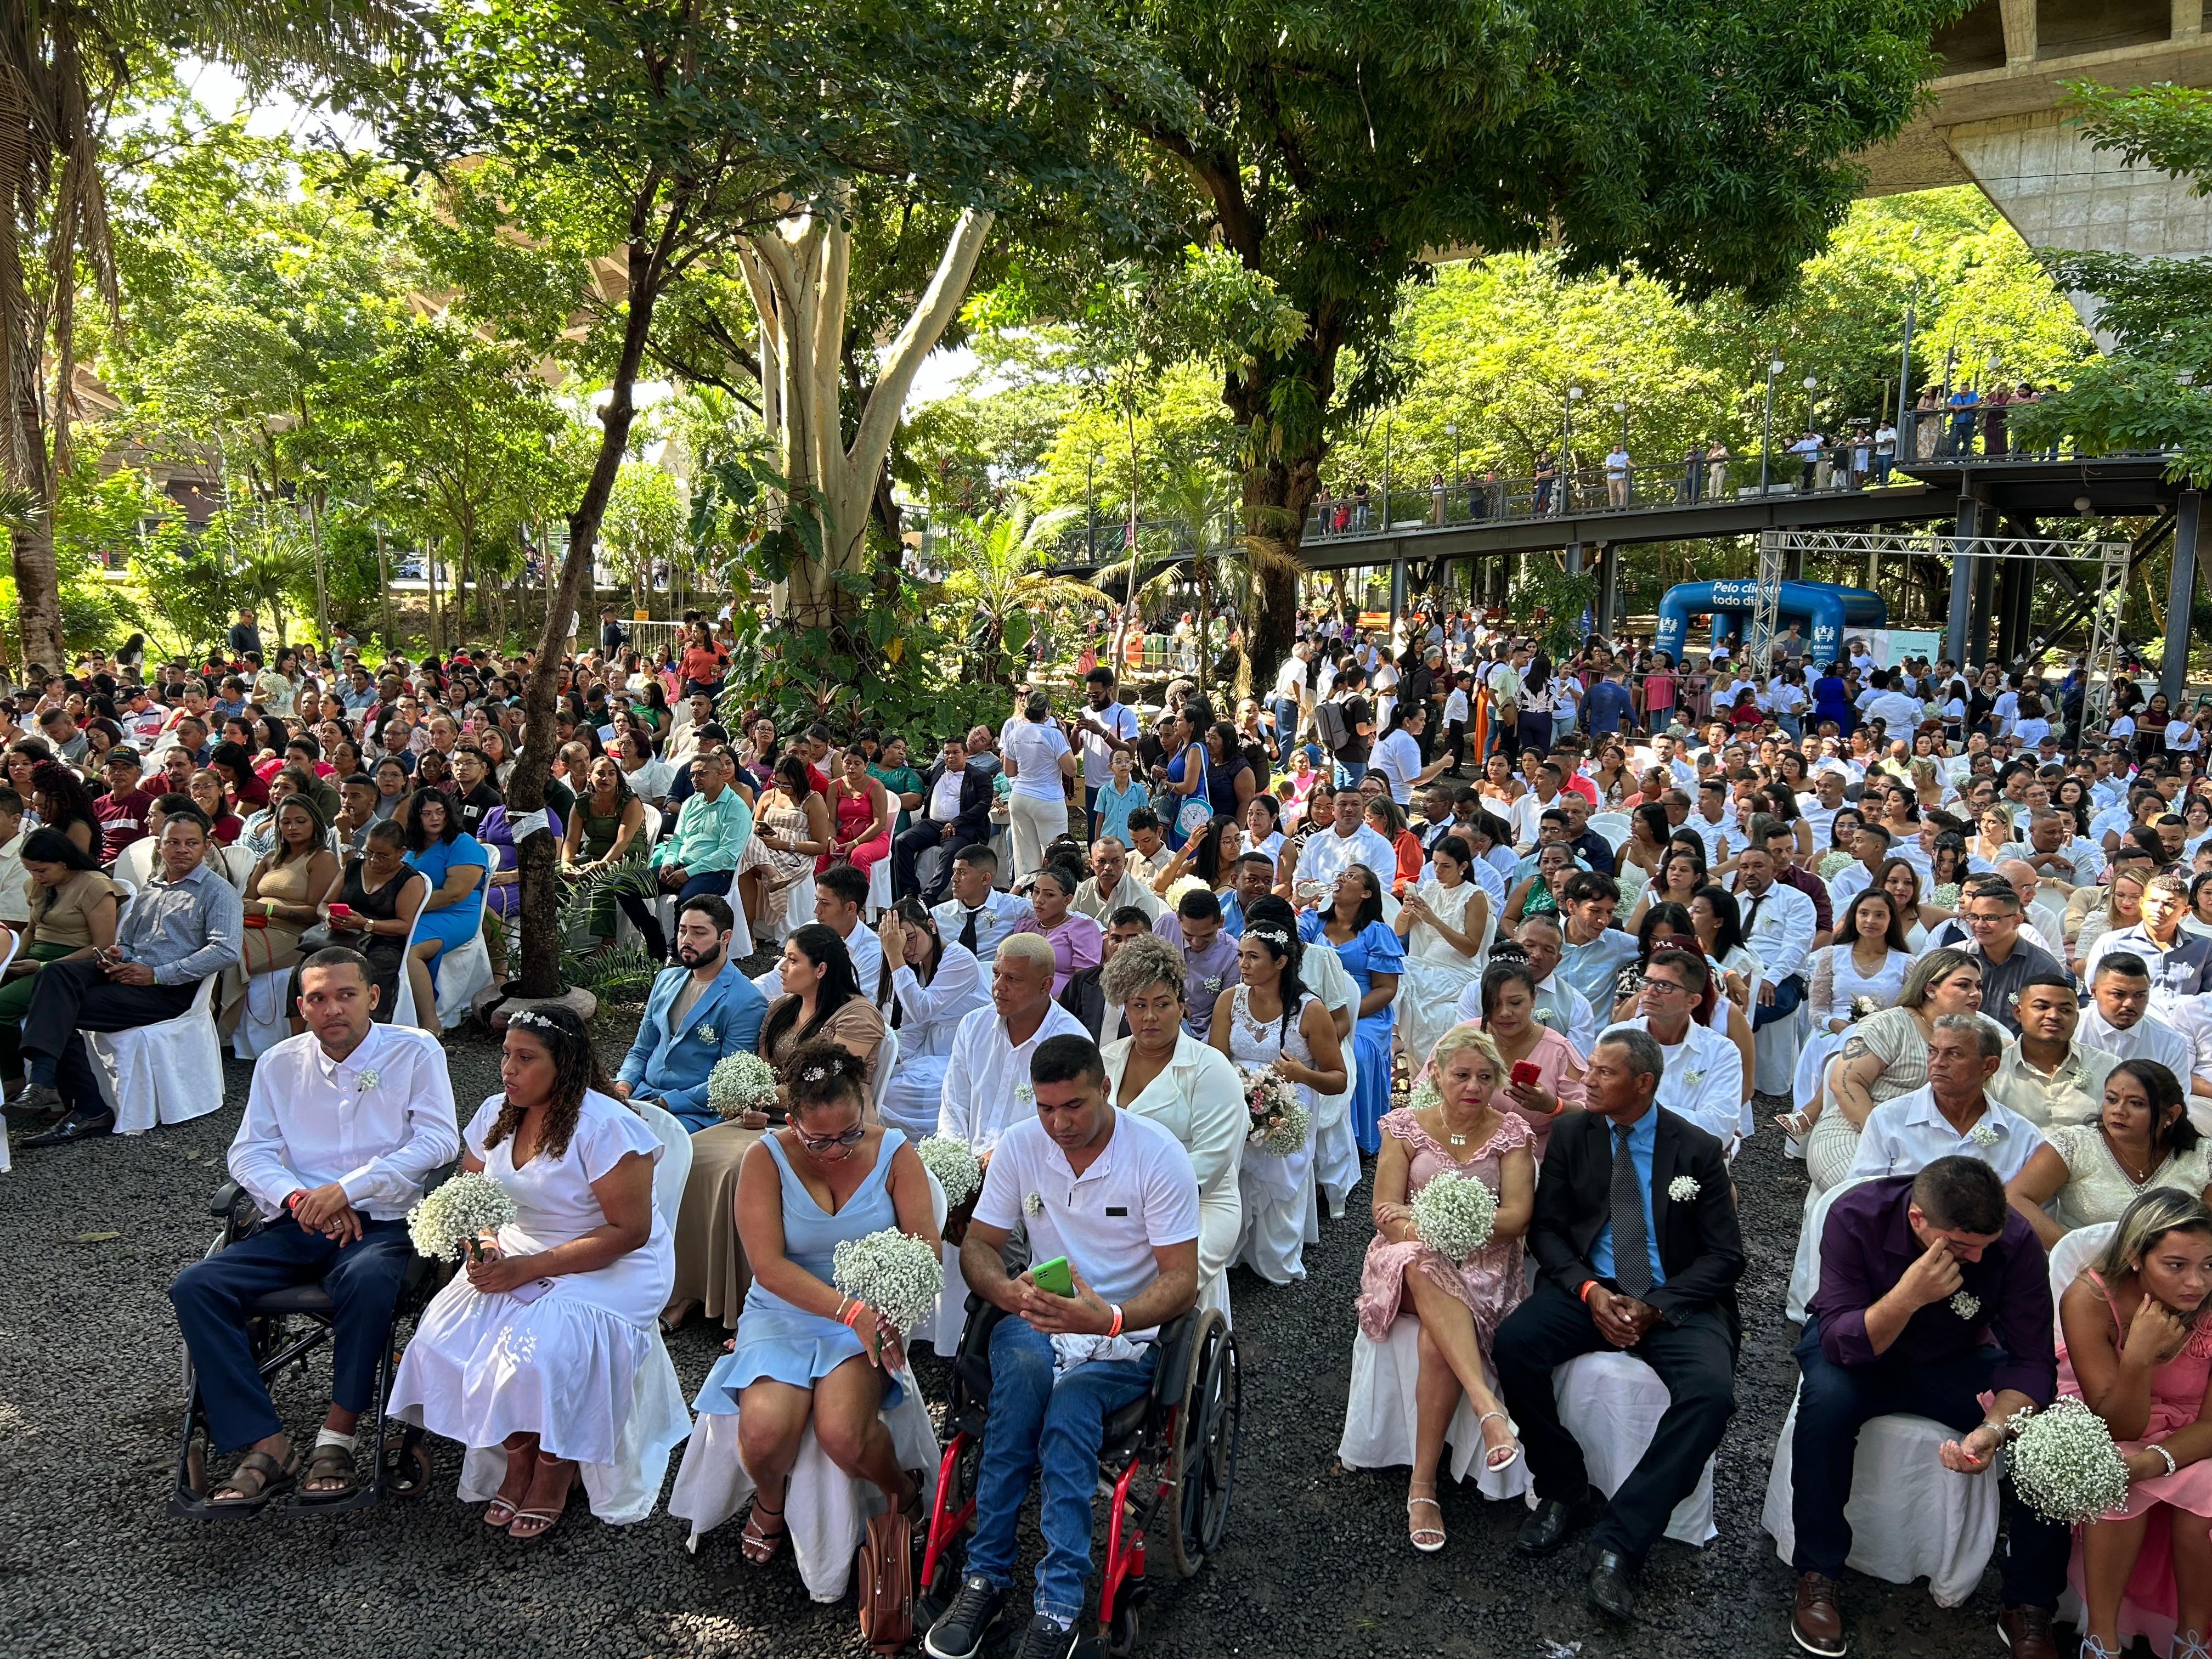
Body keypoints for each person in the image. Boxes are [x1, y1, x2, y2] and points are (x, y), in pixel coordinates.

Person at [921, 1034, 1199, 1659]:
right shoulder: (1024, 1144)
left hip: (1123, 1334)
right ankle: (985, 1578)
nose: (1059, 1124)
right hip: (1042, 1316)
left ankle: (1057, 1602)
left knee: (1070, 1412)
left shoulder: (1156, 1156)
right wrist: (1011, 1294)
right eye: (1046, 1109)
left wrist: (1112, 1317)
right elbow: (979, 1246)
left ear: (1104, 1087)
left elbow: (1184, 1280)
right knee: (1019, 1385)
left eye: (1073, 1106)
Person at [168, 950, 458, 1508]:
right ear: (301, 1007)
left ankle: (337, 1435)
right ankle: (267, 1442)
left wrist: (348, 1190)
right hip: (297, 1222)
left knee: (370, 1280)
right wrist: (302, 1197)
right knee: (195, 1286)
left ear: (372, 998)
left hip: (383, 1223)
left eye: (345, 995)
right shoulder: (281, 1062)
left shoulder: (415, 1051)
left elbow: (439, 1142)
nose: (332, 1009)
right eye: (318, 999)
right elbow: (249, 1152)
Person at [390, 1006, 687, 1536]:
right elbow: (471, 1197)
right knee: (440, 1342)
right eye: (506, 1054)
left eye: (525, 1058)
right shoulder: (495, 1113)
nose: (508, 1069)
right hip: (516, 1253)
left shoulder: (608, 1127)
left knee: (539, 1355)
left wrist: (528, 1269)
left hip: (611, 1264)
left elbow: (629, 1232)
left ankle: (557, 1465)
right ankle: (519, 1453)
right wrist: (484, 1247)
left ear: (565, 1065)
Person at [1493, 1028, 1742, 1620]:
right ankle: (1563, 1488)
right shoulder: (1576, 1133)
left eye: (1603, 1073)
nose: (1586, 1081)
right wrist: (1589, 1290)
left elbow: (1726, 1257)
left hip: (1675, 1300)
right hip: (1592, 1288)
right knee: (1514, 1344)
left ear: (1644, 1083)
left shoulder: (1696, 1149)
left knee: (1710, 1395)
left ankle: (1623, 1540)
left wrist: (1657, 1303)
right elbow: (1547, 1231)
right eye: (1590, 1070)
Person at [1787, 1156, 2068, 1659]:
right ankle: (1818, 1572)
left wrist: (1993, 1428)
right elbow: (1840, 1343)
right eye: (1961, 1246)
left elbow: (2030, 1363)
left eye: (1986, 1246)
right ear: (1918, 1220)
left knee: (2046, 1431)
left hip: (1954, 1359)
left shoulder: (2016, 1239)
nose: (1976, 1260)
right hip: (1862, 1354)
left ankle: (2029, 1603)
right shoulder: (1857, 1215)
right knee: (1826, 1405)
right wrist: (1909, 1296)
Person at [672, 1041, 938, 1562]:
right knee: (766, 1430)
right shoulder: (763, 1159)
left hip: (869, 1312)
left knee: (845, 1434)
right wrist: (848, 1311)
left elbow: (924, 1247)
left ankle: (903, 1491)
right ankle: (771, 1502)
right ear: (791, 1121)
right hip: (784, 1308)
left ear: (864, 1108)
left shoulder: (897, 1153)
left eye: (850, 1134)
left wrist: (883, 1310)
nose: (838, 1150)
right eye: (820, 1140)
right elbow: (768, 1267)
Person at [1361, 1024, 1536, 1549]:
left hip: (1485, 1268)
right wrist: (1431, 1227)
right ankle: (1488, 1409)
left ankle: (1423, 1486)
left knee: (1436, 1339)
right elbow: (1384, 1214)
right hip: (1405, 1261)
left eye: (1486, 1077)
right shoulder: (1405, 1127)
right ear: (1436, 1074)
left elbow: (1519, 1217)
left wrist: (1435, 1220)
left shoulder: (1512, 1134)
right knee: (1418, 1260)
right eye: (1461, 1075)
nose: (1473, 1087)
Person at [7, 810, 243, 1145]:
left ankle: (80, 1104)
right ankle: (45, 1086)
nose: (182, 850)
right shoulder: (154, 887)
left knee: (60, 1008)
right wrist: (119, 956)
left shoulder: (218, 892)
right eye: (173, 842)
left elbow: (225, 951)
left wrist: (157, 975)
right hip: (129, 976)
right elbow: (128, 942)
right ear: (160, 847)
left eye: (192, 843)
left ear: (206, 847)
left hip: (168, 991)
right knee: (57, 974)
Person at [2054, 1189, 2212, 1659]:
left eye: (2209, 1264)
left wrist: (2151, 1463)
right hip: (2119, 1419)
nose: (2197, 1283)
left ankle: (2194, 1637)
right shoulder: (2090, 1300)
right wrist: (2138, 1357)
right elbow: (2119, 1425)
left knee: (2205, 1499)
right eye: (2176, 1265)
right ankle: (2101, 1640)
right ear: (2135, 1257)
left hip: (2196, 1432)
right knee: (2112, 1488)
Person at [1095, 933, 1246, 1302]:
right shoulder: (1105, 1059)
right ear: (1124, 1009)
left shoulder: (1209, 1068)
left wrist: (1141, 1206)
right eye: (1138, 1005)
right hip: (1118, 1200)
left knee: (1152, 1287)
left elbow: (1211, 1161)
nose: (1149, 1016)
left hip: (1200, 1204)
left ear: (1182, 1007)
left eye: (1162, 1004)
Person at [1210, 918, 1346, 1285]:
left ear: (1281, 962)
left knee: (1275, 1186)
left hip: (1288, 1109)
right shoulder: (1230, 1000)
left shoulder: (1309, 1010)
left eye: (1254, 957)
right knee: (1231, 1179)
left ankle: (1274, 1257)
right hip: (1237, 1103)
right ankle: (1229, 1252)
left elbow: (1338, 1079)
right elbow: (1215, 1061)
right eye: (1241, 956)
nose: (1243, 965)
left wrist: (1302, 1075)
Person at [1807, 949, 1998, 1192]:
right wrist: (1882, 1139)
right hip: (1856, 1132)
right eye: (1964, 985)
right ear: (1930, 989)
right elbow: (1845, 1084)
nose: (1975, 994)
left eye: (1978, 986)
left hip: (1928, 1145)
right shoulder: (1889, 1024)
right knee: (1881, 1199)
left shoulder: (1977, 1032)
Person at [613, 895, 768, 1132]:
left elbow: (727, 1080)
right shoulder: (666, 980)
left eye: (699, 933)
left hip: (692, 1113)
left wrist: (665, 1103)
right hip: (641, 1093)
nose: (686, 941)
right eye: (683, 930)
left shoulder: (745, 1000)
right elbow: (642, 1048)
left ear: (725, 937)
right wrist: (623, 1087)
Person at [1846, 1015, 2046, 1182]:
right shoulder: (1888, 1119)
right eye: (1933, 1052)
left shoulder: (2022, 1136)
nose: (1938, 1063)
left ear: (1989, 1066)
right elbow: (1860, 1197)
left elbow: (2030, 1215)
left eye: (1953, 1054)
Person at [1299, 864, 1403, 1153]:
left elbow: (1387, 989)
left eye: (1351, 877)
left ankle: (1355, 1139)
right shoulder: (1313, 922)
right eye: (1340, 874)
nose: (1340, 879)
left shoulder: (1377, 933)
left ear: (1367, 893)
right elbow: (1288, 945)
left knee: (1354, 1051)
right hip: (1314, 1005)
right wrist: (1297, 902)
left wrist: (1348, 1013)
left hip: (1366, 1013)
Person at [1601, 945, 1747, 1149]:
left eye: (1664, 986)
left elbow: (1718, 1131)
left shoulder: (1721, 1052)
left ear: (1692, 1001)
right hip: (1621, 1152)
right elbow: (1599, 1109)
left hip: (1690, 1163)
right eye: (1647, 982)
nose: (1650, 992)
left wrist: (1633, 1111)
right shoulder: (1616, 1039)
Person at [220, 794, 341, 1036]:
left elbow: (317, 912)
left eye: (300, 821)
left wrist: (269, 909)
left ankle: (218, 1022)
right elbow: (249, 899)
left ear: (315, 823)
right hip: (255, 925)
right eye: (286, 822)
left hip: (293, 934)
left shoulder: (322, 858)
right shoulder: (271, 857)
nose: (292, 827)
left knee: (228, 950)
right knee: (212, 942)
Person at [873, 898, 990, 1140]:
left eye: (911, 938)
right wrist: (888, 1061)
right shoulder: (917, 968)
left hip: (968, 1053)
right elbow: (913, 1028)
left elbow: (922, 1009)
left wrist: (894, 956)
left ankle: (923, 1149)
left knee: (893, 1091)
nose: (906, 949)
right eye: (899, 943)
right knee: (883, 1081)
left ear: (931, 926)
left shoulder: (959, 958)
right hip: (934, 1051)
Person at [625, 751, 752, 960]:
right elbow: (677, 840)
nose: (695, 779)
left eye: (701, 774)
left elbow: (727, 855)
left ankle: (677, 955)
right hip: (681, 866)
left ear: (721, 774)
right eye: (692, 775)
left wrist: (689, 872)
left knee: (685, 902)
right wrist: (669, 861)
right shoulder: (692, 803)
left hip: (715, 873)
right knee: (624, 885)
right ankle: (654, 937)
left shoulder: (736, 808)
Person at [1393, 834, 1491, 1071]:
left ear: (1463, 867)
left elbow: (1471, 948)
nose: (1437, 870)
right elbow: (1399, 931)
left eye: (1445, 866)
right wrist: (1407, 911)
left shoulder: (1475, 896)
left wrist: (1435, 921)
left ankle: (1406, 1048)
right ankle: (1394, 1035)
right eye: (1435, 863)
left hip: (1459, 970)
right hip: (1428, 963)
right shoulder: (1430, 889)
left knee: (1405, 971)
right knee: (1395, 966)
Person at [396, 789, 487, 1031]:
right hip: (417, 912)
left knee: (410, 952)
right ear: (416, 817)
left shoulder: (462, 844)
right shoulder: (412, 846)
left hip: (456, 913)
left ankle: (430, 1025)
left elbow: (454, 894)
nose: (435, 819)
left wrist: (404, 908)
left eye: (440, 812)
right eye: (427, 814)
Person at [1987, 974, 2122, 1130]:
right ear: (2018, 1013)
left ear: (2076, 1019)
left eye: (2065, 1010)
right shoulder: (1994, 1071)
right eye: (2042, 1007)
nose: (2054, 1016)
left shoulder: (2109, 1067)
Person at [890, 735, 994, 904]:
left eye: (955, 752)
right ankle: (910, 892)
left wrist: (956, 822)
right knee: (902, 841)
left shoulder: (980, 777)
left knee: (952, 853)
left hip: (961, 828)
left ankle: (928, 898)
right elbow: (925, 775)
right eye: (947, 753)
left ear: (965, 755)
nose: (950, 756)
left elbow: (983, 806)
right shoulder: (940, 769)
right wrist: (902, 768)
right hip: (931, 824)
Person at [1152, 886, 1239, 1040]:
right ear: (1178, 918)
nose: (1197, 943)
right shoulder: (1166, 925)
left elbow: (1227, 1011)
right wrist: (1172, 1002)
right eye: (1188, 934)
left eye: (1207, 935)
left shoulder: (1232, 954)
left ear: (1220, 922)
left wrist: (1205, 1046)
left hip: (1199, 1033)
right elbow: (1146, 972)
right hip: (1155, 1016)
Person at [932, 843, 1034, 968]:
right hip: (950, 982)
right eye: (954, 871)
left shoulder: (1014, 907)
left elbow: (1056, 915)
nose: (954, 879)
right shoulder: (938, 915)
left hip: (993, 981)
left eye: (962, 873)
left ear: (985, 879)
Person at [1026, 863, 1101, 997]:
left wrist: (1051, 1007)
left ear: (1067, 900)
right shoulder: (1025, 927)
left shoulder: (1082, 929)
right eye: (1036, 892)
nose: (1039, 900)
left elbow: (1084, 982)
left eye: (1049, 895)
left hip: (1062, 1007)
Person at [825, 746, 892, 881]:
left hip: (874, 838)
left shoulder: (876, 786)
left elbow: (880, 824)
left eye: (857, 763)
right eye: (848, 763)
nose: (852, 767)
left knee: (859, 855)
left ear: (866, 765)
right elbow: (830, 820)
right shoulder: (834, 786)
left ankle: (856, 900)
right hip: (844, 836)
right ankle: (820, 897)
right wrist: (831, 839)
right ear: (842, 763)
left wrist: (855, 842)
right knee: (821, 853)